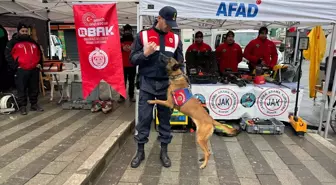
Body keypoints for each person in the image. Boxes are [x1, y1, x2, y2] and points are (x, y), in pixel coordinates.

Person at [129, 6, 184, 168]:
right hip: (147, 84)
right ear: (159, 18)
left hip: (166, 86)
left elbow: (180, 63)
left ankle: (164, 151)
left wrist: (180, 82)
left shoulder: (175, 39)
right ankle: (140, 151)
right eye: (167, 22)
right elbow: (132, 59)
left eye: (172, 23)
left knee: (165, 120)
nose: (169, 26)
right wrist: (145, 53)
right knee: (144, 119)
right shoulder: (143, 36)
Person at [4, 23, 44, 115]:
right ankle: (23, 107)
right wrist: (15, 66)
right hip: (21, 69)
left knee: (34, 88)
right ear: (18, 32)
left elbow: (39, 53)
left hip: (33, 69)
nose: (25, 33)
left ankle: (34, 105)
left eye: (26, 31)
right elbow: (7, 55)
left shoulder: (33, 42)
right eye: (23, 31)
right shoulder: (12, 42)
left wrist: (39, 64)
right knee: (21, 88)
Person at [118, 24, 136, 103]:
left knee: (132, 81)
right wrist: (122, 48)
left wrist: (132, 48)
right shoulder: (119, 40)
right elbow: (114, 49)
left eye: (129, 30)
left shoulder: (135, 40)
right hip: (122, 64)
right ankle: (121, 96)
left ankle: (131, 96)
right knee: (122, 82)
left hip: (132, 64)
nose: (127, 32)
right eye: (126, 30)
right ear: (124, 31)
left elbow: (138, 49)